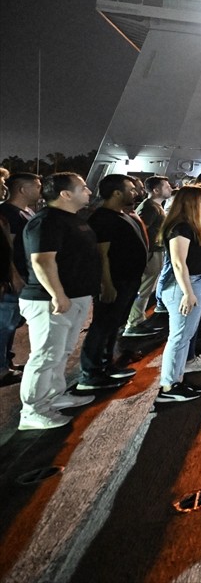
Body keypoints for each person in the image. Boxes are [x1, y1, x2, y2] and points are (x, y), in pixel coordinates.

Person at [17, 173, 99, 430]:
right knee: (45, 355)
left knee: (61, 352)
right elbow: (42, 261)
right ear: (65, 194)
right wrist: (57, 294)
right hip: (49, 301)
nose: (88, 191)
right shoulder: (46, 221)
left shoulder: (72, 219)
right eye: (83, 188)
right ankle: (32, 411)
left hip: (74, 296)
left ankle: (54, 395)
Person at [79, 174, 147, 390]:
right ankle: (91, 373)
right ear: (117, 192)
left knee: (114, 325)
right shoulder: (103, 218)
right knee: (102, 325)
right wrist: (106, 284)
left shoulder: (121, 215)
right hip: (116, 282)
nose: (135, 192)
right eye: (131, 189)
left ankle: (107, 366)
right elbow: (102, 254)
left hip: (128, 280)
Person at [156, 185, 201, 403]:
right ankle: (168, 387)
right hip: (184, 287)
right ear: (193, 202)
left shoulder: (191, 225)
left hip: (194, 284)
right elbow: (178, 263)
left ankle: (176, 380)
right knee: (179, 338)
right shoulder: (180, 227)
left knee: (184, 337)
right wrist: (188, 293)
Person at [0, 171, 40, 382]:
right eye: (37, 185)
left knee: (13, 323)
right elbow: (7, 248)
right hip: (12, 280)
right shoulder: (7, 213)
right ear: (23, 189)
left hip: (25, 276)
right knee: (4, 324)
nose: (41, 190)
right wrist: (14, 276)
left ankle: (7, 361)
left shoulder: (28, 212)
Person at [124, 175, 172, 338]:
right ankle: (133, 323)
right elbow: (140, 230)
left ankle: (137, 319)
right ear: (156, 190)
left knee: (145, 288)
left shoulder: (155, 206)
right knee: (142, 290)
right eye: (166, 186)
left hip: (155, 251)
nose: (170, 188)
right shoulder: (149, 207)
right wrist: (146, 252)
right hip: (151, 253)